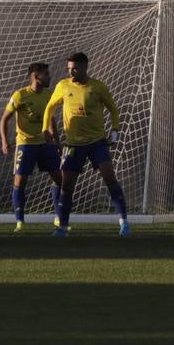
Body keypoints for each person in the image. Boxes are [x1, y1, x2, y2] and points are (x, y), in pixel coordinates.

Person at [44, 52, 130, 236]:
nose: (71, 72)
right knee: (67, 185)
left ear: (84, 67)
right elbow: (50, 107)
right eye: (69, 69)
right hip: (73, 144)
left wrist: (114, 131)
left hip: (97, 142)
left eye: (74, 68)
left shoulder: (98, 87)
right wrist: (46, 129)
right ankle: (63, 227)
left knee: (109, 178)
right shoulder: (63, 85)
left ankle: (124, 223)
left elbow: (113, 109)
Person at [0, 62, 59, 233]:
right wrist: (4, 141)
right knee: (20, 181)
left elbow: (52, 120)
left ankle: (59, 216)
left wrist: (57, 141)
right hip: (25, 144)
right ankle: (20, 221)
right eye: (46, 74)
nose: (49, 77)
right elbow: (4, 119)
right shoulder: (20, 95)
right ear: (35, 76)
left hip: (46, 144)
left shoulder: (50, 94)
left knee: (58, 178)